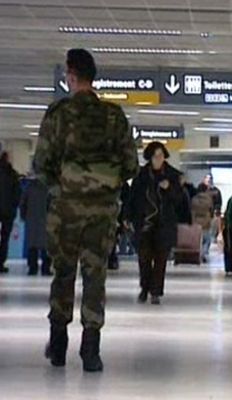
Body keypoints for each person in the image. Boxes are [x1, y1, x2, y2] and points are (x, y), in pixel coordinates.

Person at [34, 49, 139, 373]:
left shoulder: (58, 114)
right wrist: (106, 187)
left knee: (63, 274)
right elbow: (131, 165)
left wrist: (63, 188)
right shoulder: (114, 116)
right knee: (95, 276)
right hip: (103, 212)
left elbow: (42, 164)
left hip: (65, 209)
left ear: (71, 74)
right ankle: (91, 351)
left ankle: (59, 345)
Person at [126, 141, 185, 305]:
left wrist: (170, 188)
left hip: (164, 224)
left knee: (160, 260)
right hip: (144, 223)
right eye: (155, 156)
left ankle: (156, 291)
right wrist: (127, 217)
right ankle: (144, 288)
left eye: (161, 156)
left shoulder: (173, 176)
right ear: (149, 158)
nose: (159, 159)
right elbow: (132, 198)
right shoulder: (141, 176)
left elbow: (180, 200)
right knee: (144, 259)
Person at [20, 174, 52, 276]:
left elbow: (23, 202)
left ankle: (32, 268)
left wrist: (23, 215)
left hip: (31, 219)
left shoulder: (29, 187)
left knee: (32, 245)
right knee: (46, 246)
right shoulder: (49, 188)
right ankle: (45, 268)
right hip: (46, 219)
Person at [0, 151, 21, 274]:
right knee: (4, 238)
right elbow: (17, 194)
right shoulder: (12, 175)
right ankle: (1, 263)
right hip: (8, 212)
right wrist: (13, 207)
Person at [108, 182, 131, 270]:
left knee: (113, 237)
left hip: (116, 216)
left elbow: (127, 202)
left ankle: (111, 258)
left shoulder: (123, 186)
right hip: (111, 215)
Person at [191, 189, 214, 263]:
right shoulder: (208, 200)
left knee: (196, 240)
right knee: (206, 240)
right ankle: (204, 253)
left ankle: (197, 254)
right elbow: (211, 211)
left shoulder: (194, 199)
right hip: (206, 221)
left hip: (196, 221)